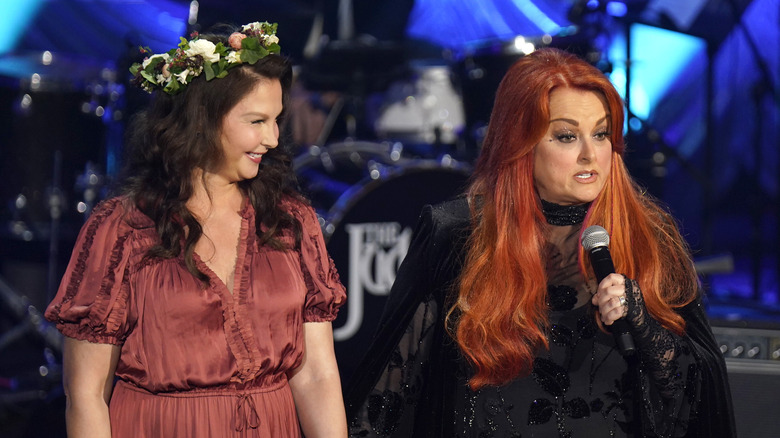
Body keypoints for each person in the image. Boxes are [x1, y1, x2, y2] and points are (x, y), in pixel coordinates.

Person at [345, 47, 735, 437]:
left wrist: (644, 325)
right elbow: (383, 401)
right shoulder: (458, 235)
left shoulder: (650, 236)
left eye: (600, 134)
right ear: (520, 146)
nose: (590, 154)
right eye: (567, 137)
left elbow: (700, 401)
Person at [44, 21, 347, 438]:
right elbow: (86, 395)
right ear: (203, 120)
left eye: (277, 120)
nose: (274, 139)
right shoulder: (124, 228)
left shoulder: (291, 222)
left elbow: (315, 376)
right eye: (257, 121)